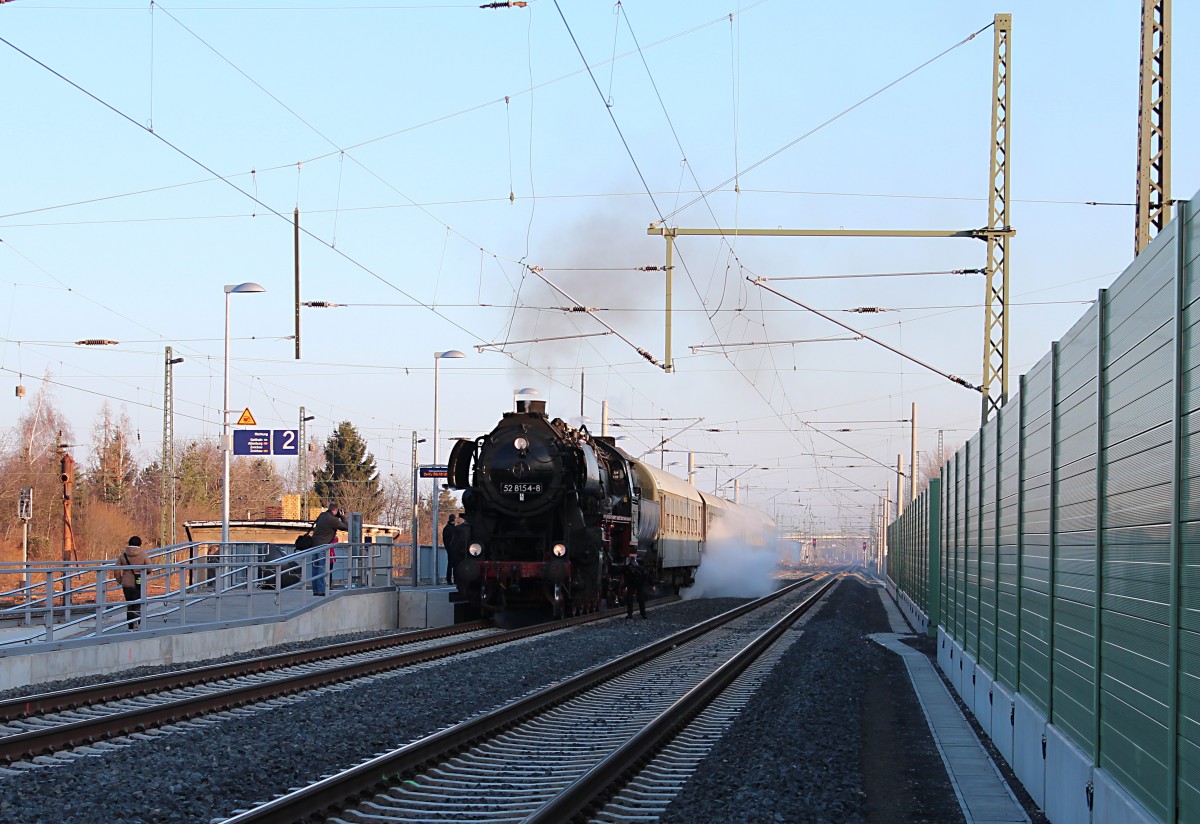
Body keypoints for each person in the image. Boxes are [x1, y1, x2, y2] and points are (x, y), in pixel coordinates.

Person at [111, 536, 150, 629]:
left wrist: (120, 580)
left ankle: (130, 626)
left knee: (130, 605)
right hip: (139, 582)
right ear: (139, 544)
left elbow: (116, 570)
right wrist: (144, 573)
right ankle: (137, 621)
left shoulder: (123, 555)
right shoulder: (143, 555)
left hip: (126, 583)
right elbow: (149, 568)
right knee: (137, 604)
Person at [310, 502, 347, 596]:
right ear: (335, 510)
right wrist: (342, 516)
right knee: (322, 568)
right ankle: (322, 590)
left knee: (315, 567)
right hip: (323, 546)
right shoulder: (333, 520)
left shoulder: (322, 515)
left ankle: (316, 590)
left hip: (314, 544)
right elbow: (346, 527)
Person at [623, 555, 647, 620]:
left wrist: (652, 585)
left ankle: (643, 614)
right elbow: (626, 579)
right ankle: (630, 614)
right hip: (631, 584)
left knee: (641, 599)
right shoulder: (627, 570)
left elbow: (645, 578)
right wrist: (624, 587)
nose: (632, 569)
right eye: (630, 567)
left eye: (633, 568)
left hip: (640, 584)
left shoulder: (641, 570)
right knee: (629, 599)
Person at [441, 513, 457, 584]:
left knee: (451, 564)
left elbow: (445, 540)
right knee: (454, 564)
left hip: (451, 549)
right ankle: (453, 579)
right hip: (453, 549)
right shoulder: (452, 528)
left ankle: (450, 580)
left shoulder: (447, 528)